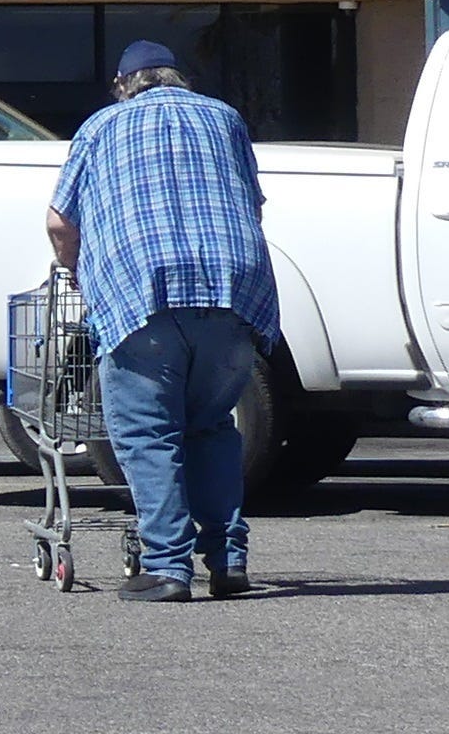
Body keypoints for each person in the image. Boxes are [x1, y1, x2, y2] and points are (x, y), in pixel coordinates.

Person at [46, 40, 277, 602]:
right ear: (180, 80)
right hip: (232, 288)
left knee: (149, 433)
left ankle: (168, 566)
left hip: (141, 290)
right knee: (212, 425)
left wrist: (74, 266)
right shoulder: (225, 118)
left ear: (124, 85)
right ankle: (228, 559)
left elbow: (59, 222)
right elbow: (253, 200)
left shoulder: (101, 128)